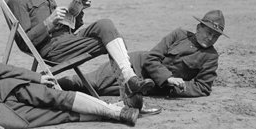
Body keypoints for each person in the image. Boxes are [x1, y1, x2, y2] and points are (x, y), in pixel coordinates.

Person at [7, 0, 154, 107]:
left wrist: (79, 9)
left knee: (106, 25)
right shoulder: (17, 0)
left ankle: (129, 77)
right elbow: (23, 42)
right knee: (112, 39)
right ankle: (131, 92)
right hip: (53, 49)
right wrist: (48, 23)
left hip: (68, 40)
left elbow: (67, 27)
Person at [0, 20, 142, 129]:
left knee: (56, 96)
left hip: (10, 90)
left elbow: (2, 69)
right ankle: (109, 112)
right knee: (57, 115)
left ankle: (117, 113)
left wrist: (36, 78)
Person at [58, 10, 229, 97]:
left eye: (215, 36)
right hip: (135, 65)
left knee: (96, 91)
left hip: (149, 87)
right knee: (91, 82)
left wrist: (177, 87)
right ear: (198, 28)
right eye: (208, 32)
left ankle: (53, 90)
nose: (210, 38)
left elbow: (203, 87)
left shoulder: (211, 57)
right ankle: (44, 84)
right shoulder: (179, 35)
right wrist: (169, 78)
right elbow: (153, 57)